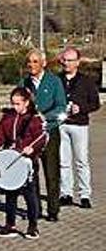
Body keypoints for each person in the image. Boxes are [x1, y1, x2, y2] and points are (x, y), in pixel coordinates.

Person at [0, 87, 45, 239]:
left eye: (18, 104)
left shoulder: (35, 119)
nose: (15, 107)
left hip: (27, 161)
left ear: (27, 102)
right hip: (10, 159)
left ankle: (32, 226)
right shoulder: (8, 118)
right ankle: (10, 225)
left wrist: (33, 148)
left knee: (30, 196)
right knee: (10, 194)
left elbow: (41, 138)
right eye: (13, 103)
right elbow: (0, 135)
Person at [20, 48, 67, 222]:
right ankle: (35, 209)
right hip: (29, 135)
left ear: (43, 63)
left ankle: (53, 210)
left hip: (49, 131)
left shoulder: (54, 81)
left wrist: (44, 118)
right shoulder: (24, 82)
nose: (31, 65)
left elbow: (61, 106)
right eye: (29, 62)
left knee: (51, 172)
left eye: (35, 61)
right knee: (32, 172)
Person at [57, 47, 100, 209]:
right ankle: (65, 193)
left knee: (81, 160)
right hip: (61, 125)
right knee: (63, 161)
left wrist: (81, 108)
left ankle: (84, 194)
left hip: (80, 125)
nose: (66, 63)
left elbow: (95, 104)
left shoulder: (87, 81)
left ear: (77, 62)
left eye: (70, 60)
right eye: (64, 60)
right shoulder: (57, 80)